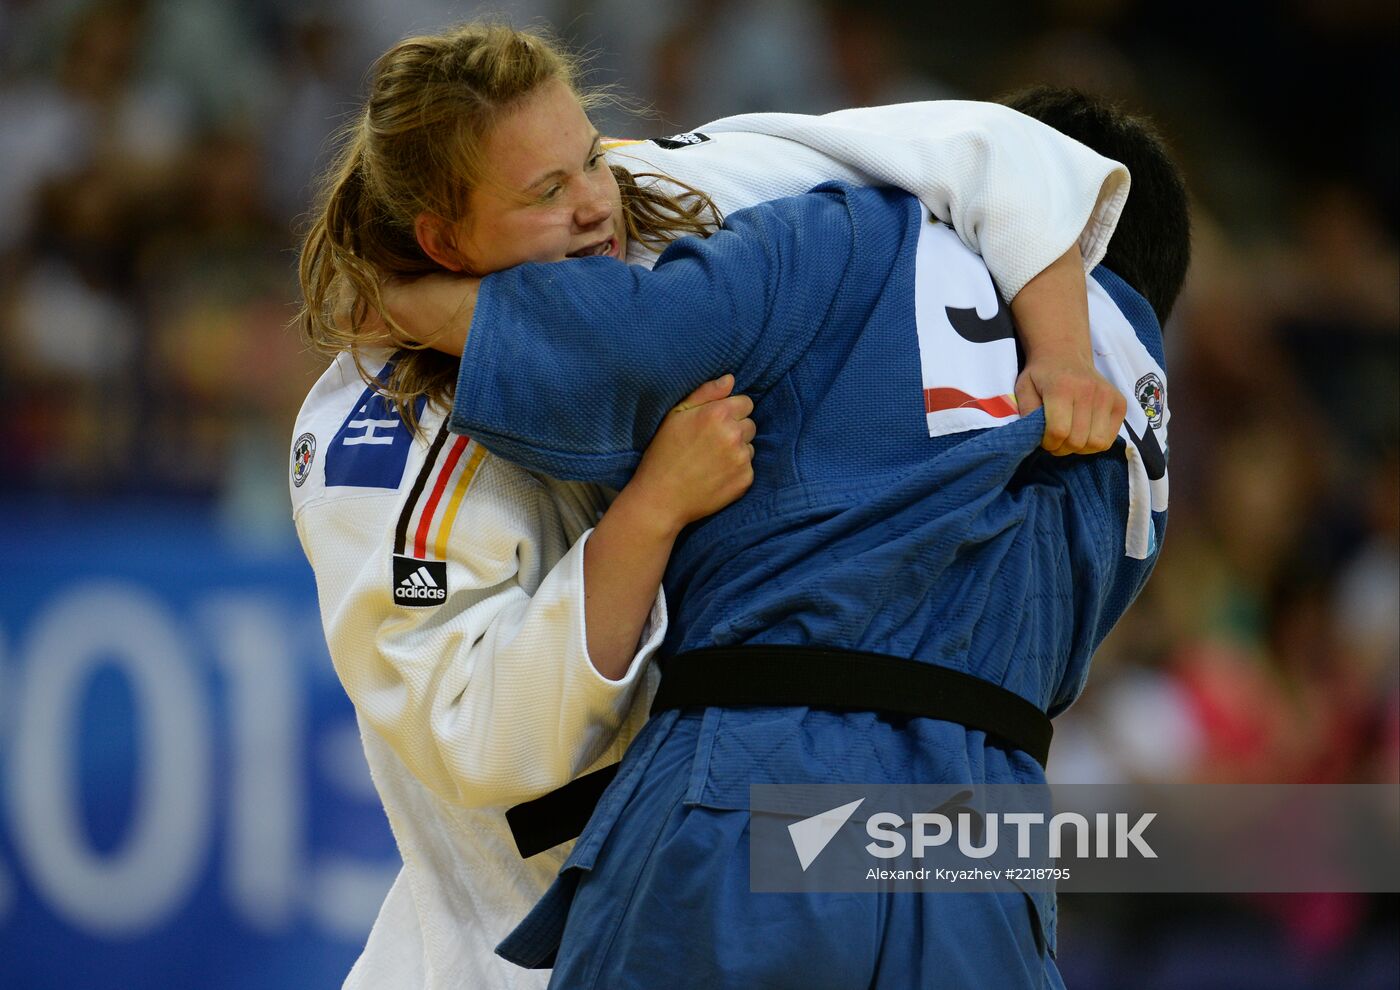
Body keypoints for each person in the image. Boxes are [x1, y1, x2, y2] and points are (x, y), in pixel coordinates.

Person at [292, 22, 1134, 990]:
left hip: (716, 884)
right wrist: (650, 512)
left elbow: (995, 149)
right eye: (545, 193)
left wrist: (1062, 351)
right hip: (506, 952)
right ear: (442, 238)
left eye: (587, 158)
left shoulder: (666, 200)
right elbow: (481, 732)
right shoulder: (384, 429)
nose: (591, 206)